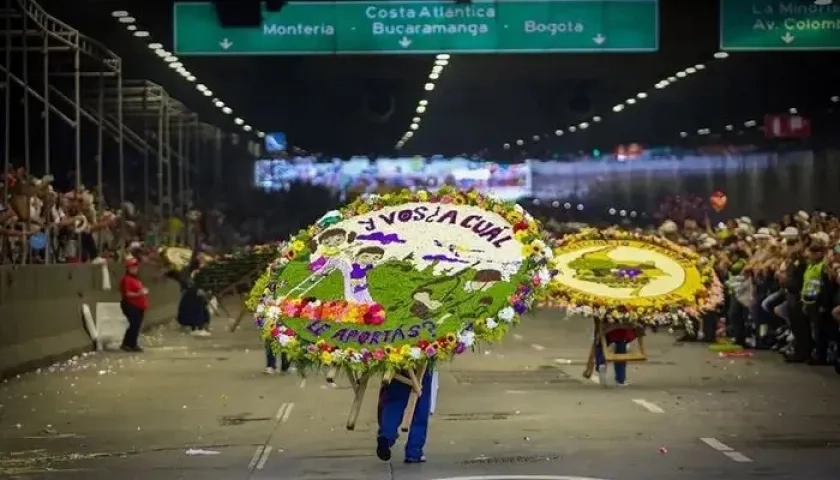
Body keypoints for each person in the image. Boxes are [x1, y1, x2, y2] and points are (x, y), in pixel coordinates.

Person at [376, 366, 434, 463]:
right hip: (421, 365)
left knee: (394, 402)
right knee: (420, 406)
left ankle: (387, 435)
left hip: (397, 363)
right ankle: (414, 451)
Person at [120, 258, 148, 352]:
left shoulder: (136, 279)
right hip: (131, 305)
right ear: (128, 268)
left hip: (138, 306)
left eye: (135, 267)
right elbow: (128, 294)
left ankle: (131, 343)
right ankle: (128, 344)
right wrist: (139, 294)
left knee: (136, 325)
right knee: (134, 325)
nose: (134, 269)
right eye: (132, 267)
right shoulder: (127, 280)